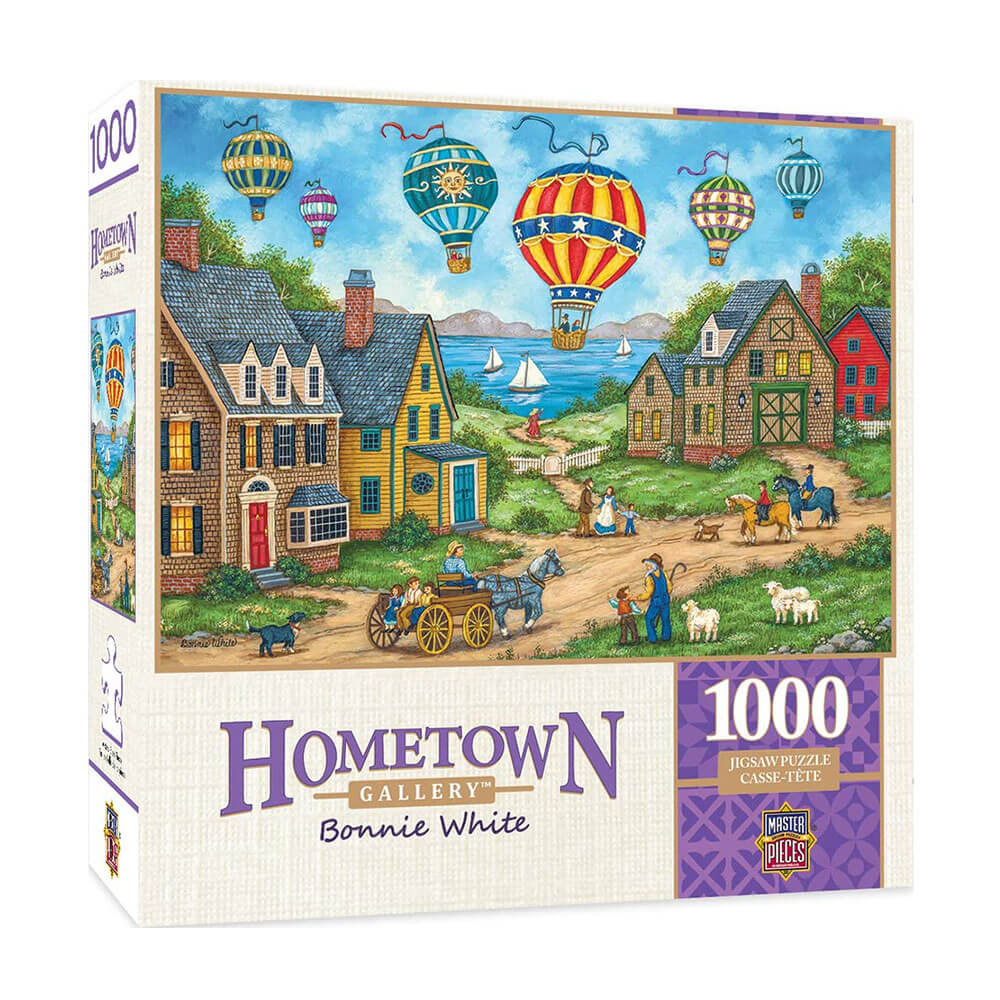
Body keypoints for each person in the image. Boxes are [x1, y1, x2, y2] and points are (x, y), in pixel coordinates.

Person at [635, 553, 671, 643]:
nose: (646, 567)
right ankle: (666, 637)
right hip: (665, 600)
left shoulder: (649, 578)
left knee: (649, 618)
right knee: (665, 619)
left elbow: (648, 593)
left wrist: (637, 598)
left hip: (656, 602)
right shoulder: (664, 573)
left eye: (648, 565)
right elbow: (670, 588)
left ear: (654, 565)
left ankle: (652, 638)